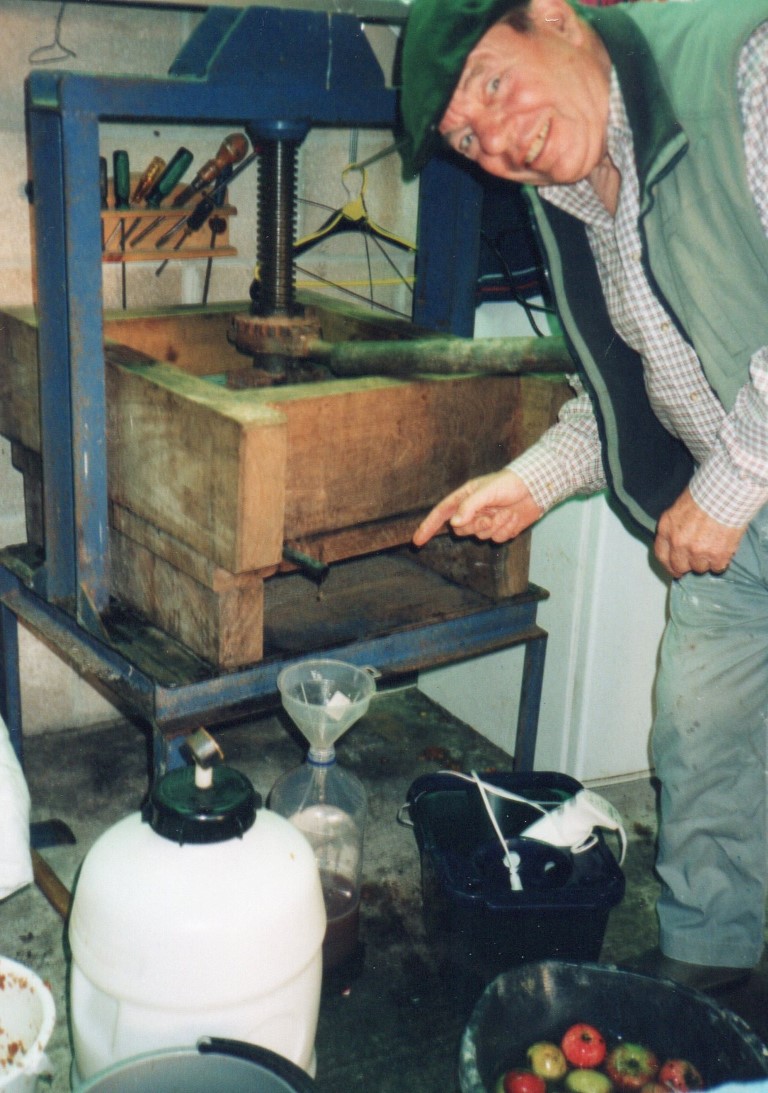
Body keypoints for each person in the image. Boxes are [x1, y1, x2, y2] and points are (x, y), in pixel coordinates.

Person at [398, 0, 768, 994]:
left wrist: (733, 481)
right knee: (700, 730)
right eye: (466, 139)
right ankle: (710, 971)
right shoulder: (576, 197)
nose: (495, 139)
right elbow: (638, 388)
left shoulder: (742, 65)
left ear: (556, 18)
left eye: (491, 83)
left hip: (738, 487)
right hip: (737, 519)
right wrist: (530, 482)